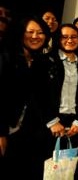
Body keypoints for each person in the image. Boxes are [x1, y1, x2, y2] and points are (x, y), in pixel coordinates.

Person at [2, 16, 51, 179]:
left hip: (27, 135)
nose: (35, 36)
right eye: (30, 32)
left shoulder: (41, 62)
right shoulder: (6, 55)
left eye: (40, 32)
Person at [43, 23, 78, 179]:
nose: (70, 40)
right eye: (65, 37)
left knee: (69, 171)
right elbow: (39, 95)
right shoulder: (47, 60)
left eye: (74, 37)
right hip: (50, 123)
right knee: (49, 169)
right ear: (58, 39)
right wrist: (52, 121)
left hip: (74, 124)